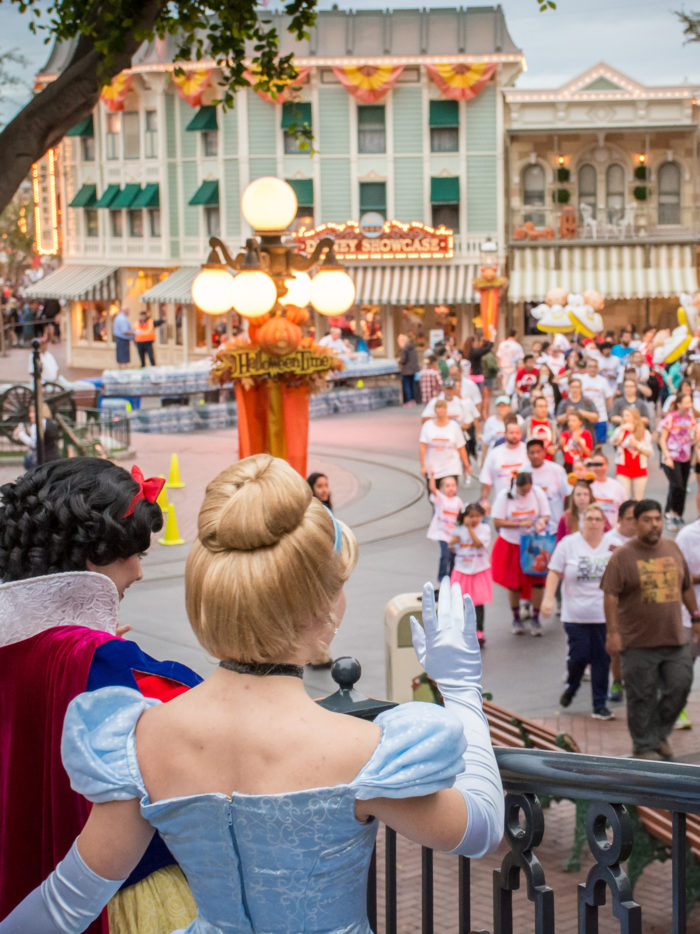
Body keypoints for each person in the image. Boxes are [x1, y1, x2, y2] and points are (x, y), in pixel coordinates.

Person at [1, 458, 504, 932]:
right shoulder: (361, 750)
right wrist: (460, 687)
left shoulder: (141, 739)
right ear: (322, 605)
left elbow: (67, 903)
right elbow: (480, 826)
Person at [0, 458, 202, 931]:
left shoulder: (22, 647)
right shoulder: (107, 664)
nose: (137, 571)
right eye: (134, 554)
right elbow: (206, 715)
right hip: (113, 900)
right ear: (94, 554)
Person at [600, 499, 700, 760]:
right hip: (637, 642)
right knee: (640, 695)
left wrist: (696, 617)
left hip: (674, 637)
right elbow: (610, 595)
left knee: (680, 685)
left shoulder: (672, 548)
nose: (655, 524)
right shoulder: (623, 556)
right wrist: (612, 634)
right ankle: (644, 746)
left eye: (658, 519)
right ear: (636, 522)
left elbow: (686, 586)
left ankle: (658, 735)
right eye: (648, 519)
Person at [542, 503, 614, 720]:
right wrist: (548, 600)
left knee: (602, 659)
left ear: (603, 523)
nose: (593, 523)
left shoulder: (613, 545)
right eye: (589, 518)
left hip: (604, 615)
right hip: (576, 614)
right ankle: (571, 686)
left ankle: (599, 705)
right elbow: (554, 572)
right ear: (582, 522)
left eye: (597, 519)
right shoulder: (569, 544)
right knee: (580, 656)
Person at [491, 471, 550, 636]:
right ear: (517, 486)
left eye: (528, 490)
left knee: (538, 581)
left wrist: (541, 522)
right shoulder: (505, 496)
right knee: (514, 584)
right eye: (523, 491)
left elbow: (545, 514)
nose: (526, 493)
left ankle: (536, 617)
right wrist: (519, 523)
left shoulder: (537, 493)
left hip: (533, 543)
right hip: (513, 543)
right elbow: (497, 520)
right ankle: (516, 617)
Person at [602, 499, 638, 703]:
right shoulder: (607, 540)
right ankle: (617, 680)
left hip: (639, 603)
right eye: (630, 519)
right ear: (620, 519)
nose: (634, 524)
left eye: (636, 519)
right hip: (615, 601)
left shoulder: (643, 542)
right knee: (616, 646)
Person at [449, 503, 492, 646]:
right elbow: (453, 549)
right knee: (461, 604)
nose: (474, 519)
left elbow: (479, 544)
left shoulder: (484, 529)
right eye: (470, 516)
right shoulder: (458, 529)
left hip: (479, 570)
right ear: (465, 516)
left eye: (477, 516)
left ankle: (479, 631)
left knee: (478, 603)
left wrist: (469, 529)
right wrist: (451, 543)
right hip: (462, 570)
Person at [674, 516, 700, 731]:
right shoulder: (688, 535)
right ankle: (676, 709)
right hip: (690, 616)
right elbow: (676, 576)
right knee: (683, 670)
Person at [659, 392, 696, 529]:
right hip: (671, 457)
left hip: (685, 458)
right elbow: (662, 439)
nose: (689, 405)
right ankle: (671, 515)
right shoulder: (671, 417)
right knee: (677, 485)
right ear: (679, 404)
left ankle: (679, 515)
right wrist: (667, 456)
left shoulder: (690, 417)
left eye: (690, 402)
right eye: (686, 402)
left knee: (683, 488)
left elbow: (692, 435)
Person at [419, 399, 471, 489]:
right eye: (438, 408)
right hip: (434, 468)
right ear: (435, 410)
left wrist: (466, 464)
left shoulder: (454, 426)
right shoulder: (428, 426)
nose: (440, 410)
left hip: (451, 467)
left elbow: (461, 447)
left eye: (443, 408)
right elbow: (423, 446)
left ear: (446, 409)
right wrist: (423, 466)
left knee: (449, 495)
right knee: (434, 496)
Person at [479, 420, 528, 507]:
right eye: (511, 433)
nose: (514, 436)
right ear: (505, 434)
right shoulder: (494, 453)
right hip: (501, 503)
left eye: (517, 433)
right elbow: (486, 479)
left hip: (525, 502)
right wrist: (484, 500)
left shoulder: (528, 451)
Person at [526, 438, 568, 537]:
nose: (535, 456)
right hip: (530, 529)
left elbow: (567, 495)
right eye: (532, 452)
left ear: (544, 452)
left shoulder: (557, 470)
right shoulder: (522, 472)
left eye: (538, 452)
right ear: (527, 454)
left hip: (554, 527)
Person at [428, 473, 463, 581]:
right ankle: (442, 577)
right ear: (442, 489)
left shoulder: (458, 501)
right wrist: (432, 477)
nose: (451, 488)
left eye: (453, 485)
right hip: (442, 533)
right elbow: (432, 489)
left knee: (453, 557)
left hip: (453, 535)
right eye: (447, 486)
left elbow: (461, 516)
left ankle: (452, 577)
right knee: (445, 555)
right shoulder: (440, 499)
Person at [610, 408, 653, 499]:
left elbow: (649, 452)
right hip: (623, 467)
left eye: (628, 416)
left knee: (638, 498)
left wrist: (637, 445)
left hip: (639, 468)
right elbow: (613, 441)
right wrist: (621, 430)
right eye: (624, 416)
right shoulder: (620, 430)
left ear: (635, 417)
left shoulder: (644, 433)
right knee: (625, 497)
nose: (625, 418)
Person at [586, 449, 627, 530]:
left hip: (612, 529)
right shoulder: (586, 486)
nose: (597, 468)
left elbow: (625, 508)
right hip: (591, 529)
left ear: (607, 466)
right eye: (594, 465)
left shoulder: (616, 486)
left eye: (600, 464)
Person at [12, 403, 60, 469]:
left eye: (32, 412)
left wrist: (20, 434)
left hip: (41, 460)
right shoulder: (50, 422)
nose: (30, 415)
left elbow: (34, 444)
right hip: (53, 457)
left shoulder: (38, 424)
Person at [580, 356, 612, 445]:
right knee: (585, 443)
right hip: (585, 418)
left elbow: (609, 397)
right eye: (590, 366)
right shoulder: (581, 380)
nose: (592, 369)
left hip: (601, 417)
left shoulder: (603, 381)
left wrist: (609, 413)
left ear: (597, 368)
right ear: (586, 368)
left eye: (594, 366)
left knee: (599, 445)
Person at [525, 395, 557, 460]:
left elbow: (558, 443)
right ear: (533, 408)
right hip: (532, 462)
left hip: (549, 461)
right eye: (540, 406)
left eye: (545, 406)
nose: (544, 409)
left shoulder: (552, 424)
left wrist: (554, 448)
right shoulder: (526, 424)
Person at [397, 334, 419, 405]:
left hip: (406, 370)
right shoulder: (412, 347)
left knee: (407, 385)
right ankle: (413, 400)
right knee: (412, 385)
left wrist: (398, 360)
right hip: (413, 370)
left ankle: (409, 400)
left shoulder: (404, 349)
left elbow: (403, 360)